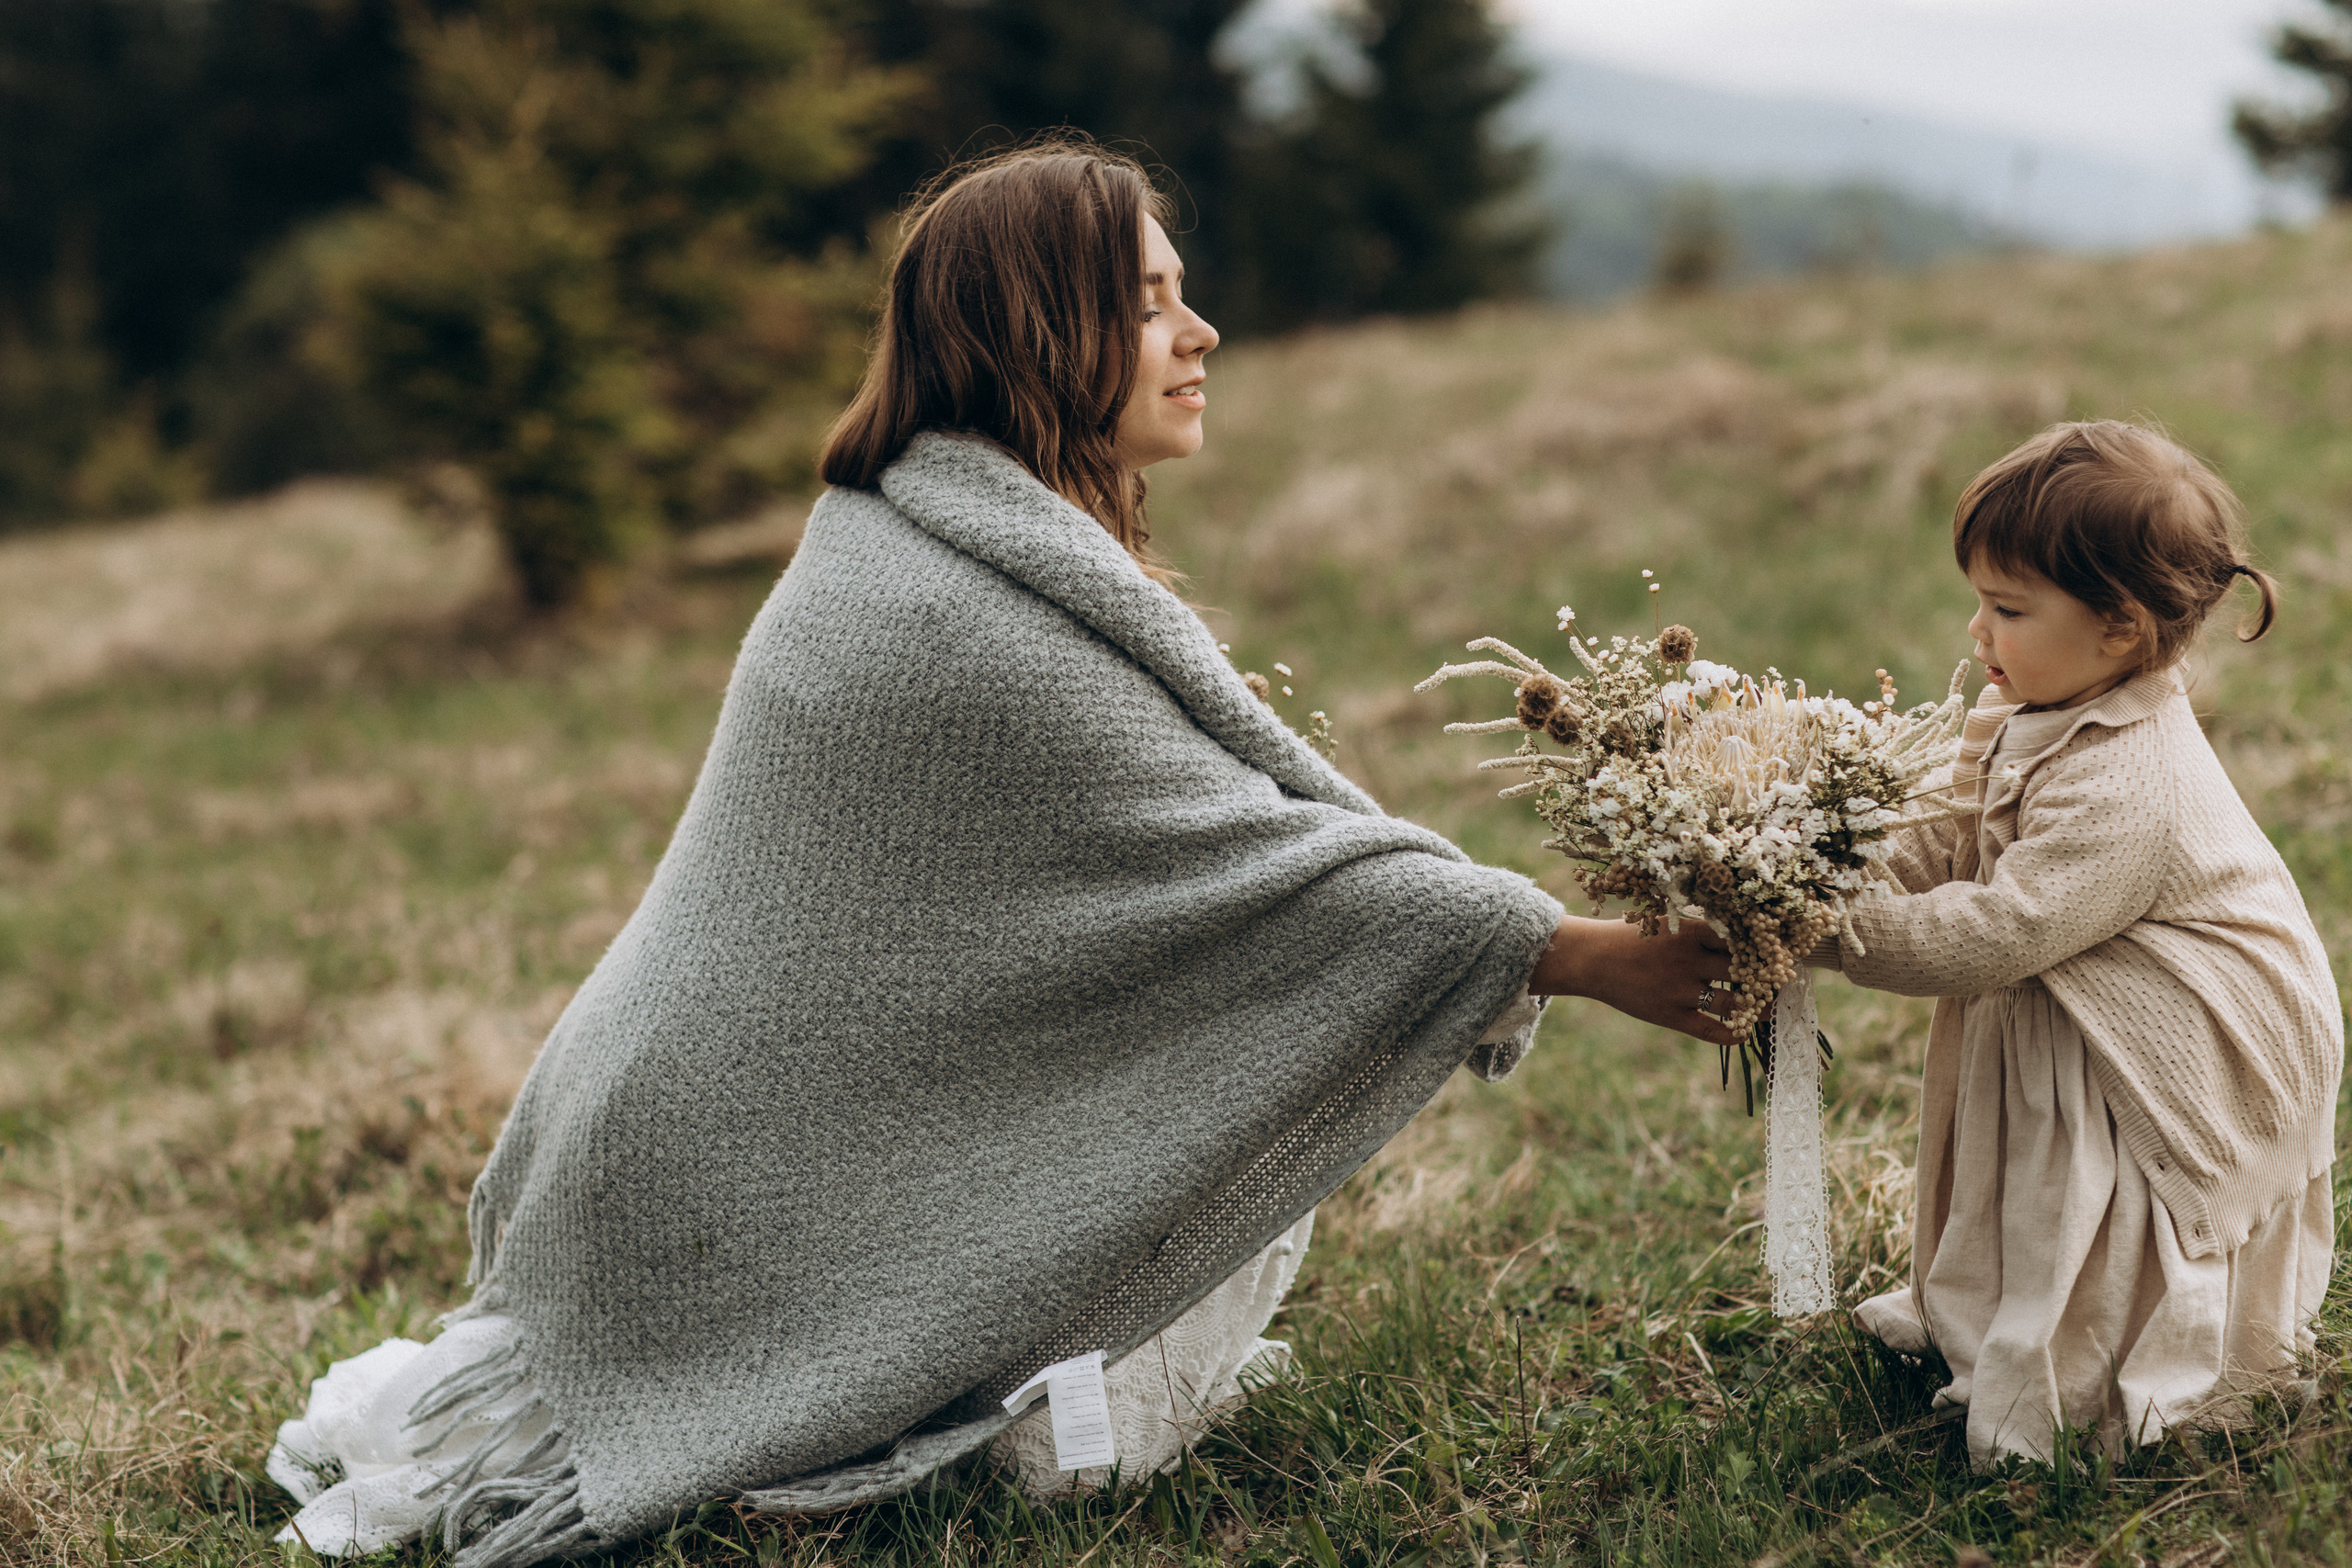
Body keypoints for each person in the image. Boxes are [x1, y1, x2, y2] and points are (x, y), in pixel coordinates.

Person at [263, 140, 1736, 1565]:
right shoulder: (960, 613)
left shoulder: (909, 530)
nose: (1201, 332)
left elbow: (1216, 861)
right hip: (727, 1199)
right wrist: (1584, 953)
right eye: (1149, 303)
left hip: (668, 1154)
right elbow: (1268, 883)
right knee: (1084, 1425)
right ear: (1039, 330)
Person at [1826, 420, 2338, 1466]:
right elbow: (1950, 832)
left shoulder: (2128, 782)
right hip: (2081, 997)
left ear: (2119, 628)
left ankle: (2083, 1375)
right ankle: (1994, 1310)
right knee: (2034, 1168)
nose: (1978, 630)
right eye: (1980, 601)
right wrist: (1822, 864)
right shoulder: (2037, 706)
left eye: (2008, 609)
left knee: (2094, 1194)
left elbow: (1997, 931)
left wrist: (1827, 928)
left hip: (2179, 1040)